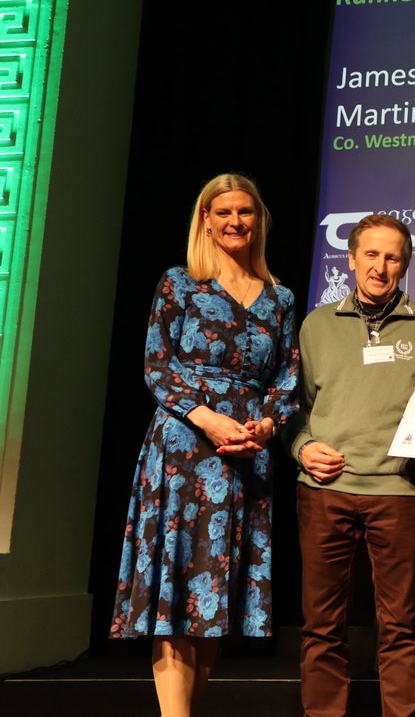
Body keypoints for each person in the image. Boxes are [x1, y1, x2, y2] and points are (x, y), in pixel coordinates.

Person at [111, 173, 299, 717]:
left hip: (247, 453)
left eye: (245, 212)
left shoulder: (281, 297)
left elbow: (288, 377)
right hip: (184, 447)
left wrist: (265, 425)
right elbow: (156, 364)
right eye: (223, 212)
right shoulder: (180, 284)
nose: (235, 221)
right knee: (177, 588)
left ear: (258, 220)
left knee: (216, 590)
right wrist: (207, 418)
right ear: (205, 221)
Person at [290, 214, 415, 717]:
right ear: (351, 258)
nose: (380, 267)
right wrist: (301, 447)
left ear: (404, 264)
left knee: (401, 624)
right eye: (371, 255)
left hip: (400, 492)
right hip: (324, 490)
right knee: (321, 625)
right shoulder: (316, 325)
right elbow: (291, 413)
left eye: (392, 257)